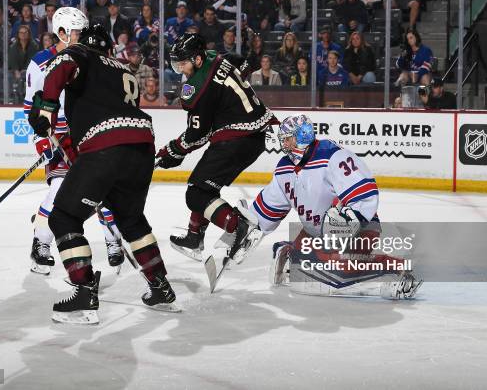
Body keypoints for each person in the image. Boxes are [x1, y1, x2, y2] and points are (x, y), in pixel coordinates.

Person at [28, 23, 179, 323]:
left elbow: (63, 63)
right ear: (110, 49)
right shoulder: (123, 70)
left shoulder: (79, 54)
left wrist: (45, 111)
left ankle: (84, 295)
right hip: (141, 146)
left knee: (63, 217)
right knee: (131, 219)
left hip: (107, 146)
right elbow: (101, 119)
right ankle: (160, 287)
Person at [238, 114, 422, 299]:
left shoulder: (333, 156)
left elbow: (365, 193)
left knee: (340, 268)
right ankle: (292, 250)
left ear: (302, 136)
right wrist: (248, 226)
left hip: (359, 228)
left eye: (287, 139)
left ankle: (399, 270)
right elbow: (268, 208)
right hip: (316, 232)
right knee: (320, 267)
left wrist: (349, 221)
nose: (284, 145)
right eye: (283, 140)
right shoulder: (284, 168)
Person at [157, 33, 278, 263]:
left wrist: (172, 150)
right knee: (205, 186)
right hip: (255, 134)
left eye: (183, 63)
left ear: (197, 60)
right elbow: (241, 62)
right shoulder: (216, 57)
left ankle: (239, 227)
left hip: (237, 139)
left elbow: (197, 134)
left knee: (196, 193)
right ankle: (194, 237)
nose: (180, 69)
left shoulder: (198, 87)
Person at [23, 7, 125, 276]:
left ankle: (113, 239)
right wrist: (41, 140)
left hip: (87, 133)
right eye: (77, 32)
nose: (82, 37)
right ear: (61, 33)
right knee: (59, 188)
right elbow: (31, 108)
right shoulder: (41, 62)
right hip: (56, 136)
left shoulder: (87, 59)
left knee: (103, 190)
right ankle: (40, 244)